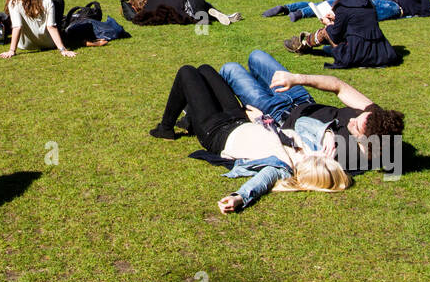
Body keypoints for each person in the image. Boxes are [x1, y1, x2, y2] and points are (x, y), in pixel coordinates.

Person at [148, 63, 350, 213]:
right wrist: (328, 133)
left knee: (187, 72)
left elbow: (260, 182)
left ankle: (165, 129)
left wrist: (238, 197)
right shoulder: (308, 148)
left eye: (318, 161)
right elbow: (303, 124)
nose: (317, 155)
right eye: (323, 158)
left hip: (217, 132)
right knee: (206, 70)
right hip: (241, 118)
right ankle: (189, 118)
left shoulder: (281, 168)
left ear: (308, 172)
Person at [218, 48, 404, 172]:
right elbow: (339, 86)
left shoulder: (347, 157)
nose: (351, 119)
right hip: (301, 97)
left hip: (278, 114)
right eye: (359, 116)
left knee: (230, 69)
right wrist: (297, 78)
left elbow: (297, 158)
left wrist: (261, 123)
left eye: (355, 126)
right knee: (256, 56)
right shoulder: (377, 119)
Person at [284, 0, 398, 68]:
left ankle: (302, 45)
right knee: (332, 28)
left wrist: (328, 23)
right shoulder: (367, 1)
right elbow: (356, 20)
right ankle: (304, 43)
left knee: (326, 31)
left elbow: (335, 34)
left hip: (358, 53)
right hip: (379, 50)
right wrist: (336, 18)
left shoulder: (343, 6)